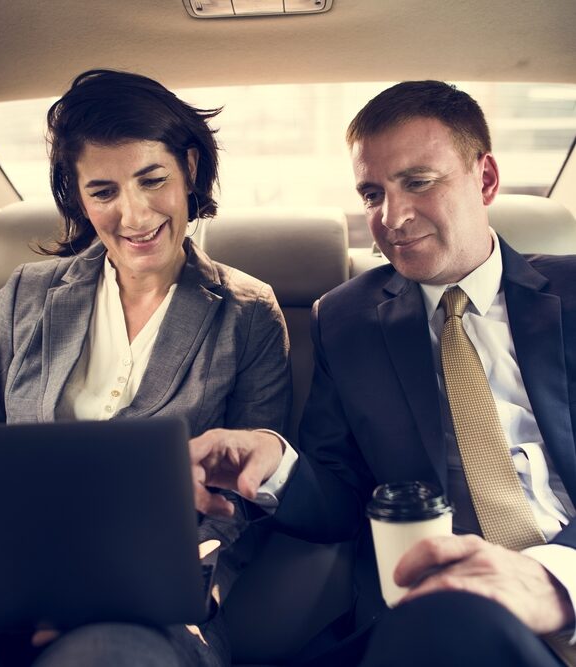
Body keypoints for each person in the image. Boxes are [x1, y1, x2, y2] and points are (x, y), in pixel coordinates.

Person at [191, 80, 576, 666]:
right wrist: (277, 464)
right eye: (372, 193)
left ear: (487, 180)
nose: (391, 217)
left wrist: (548, 581)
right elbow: (342, 496)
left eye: (418, 182)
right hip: (437, 622)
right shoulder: (345, 322)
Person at [0, 69, 292, 667]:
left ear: (191, 171)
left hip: (152, 608)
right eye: (103, 192)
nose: (134, 214)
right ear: (77, 197)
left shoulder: (248, 314)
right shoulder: (27, 295)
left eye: (153, 181)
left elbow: (247, 504)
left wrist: (171, 584)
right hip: (2, 590)